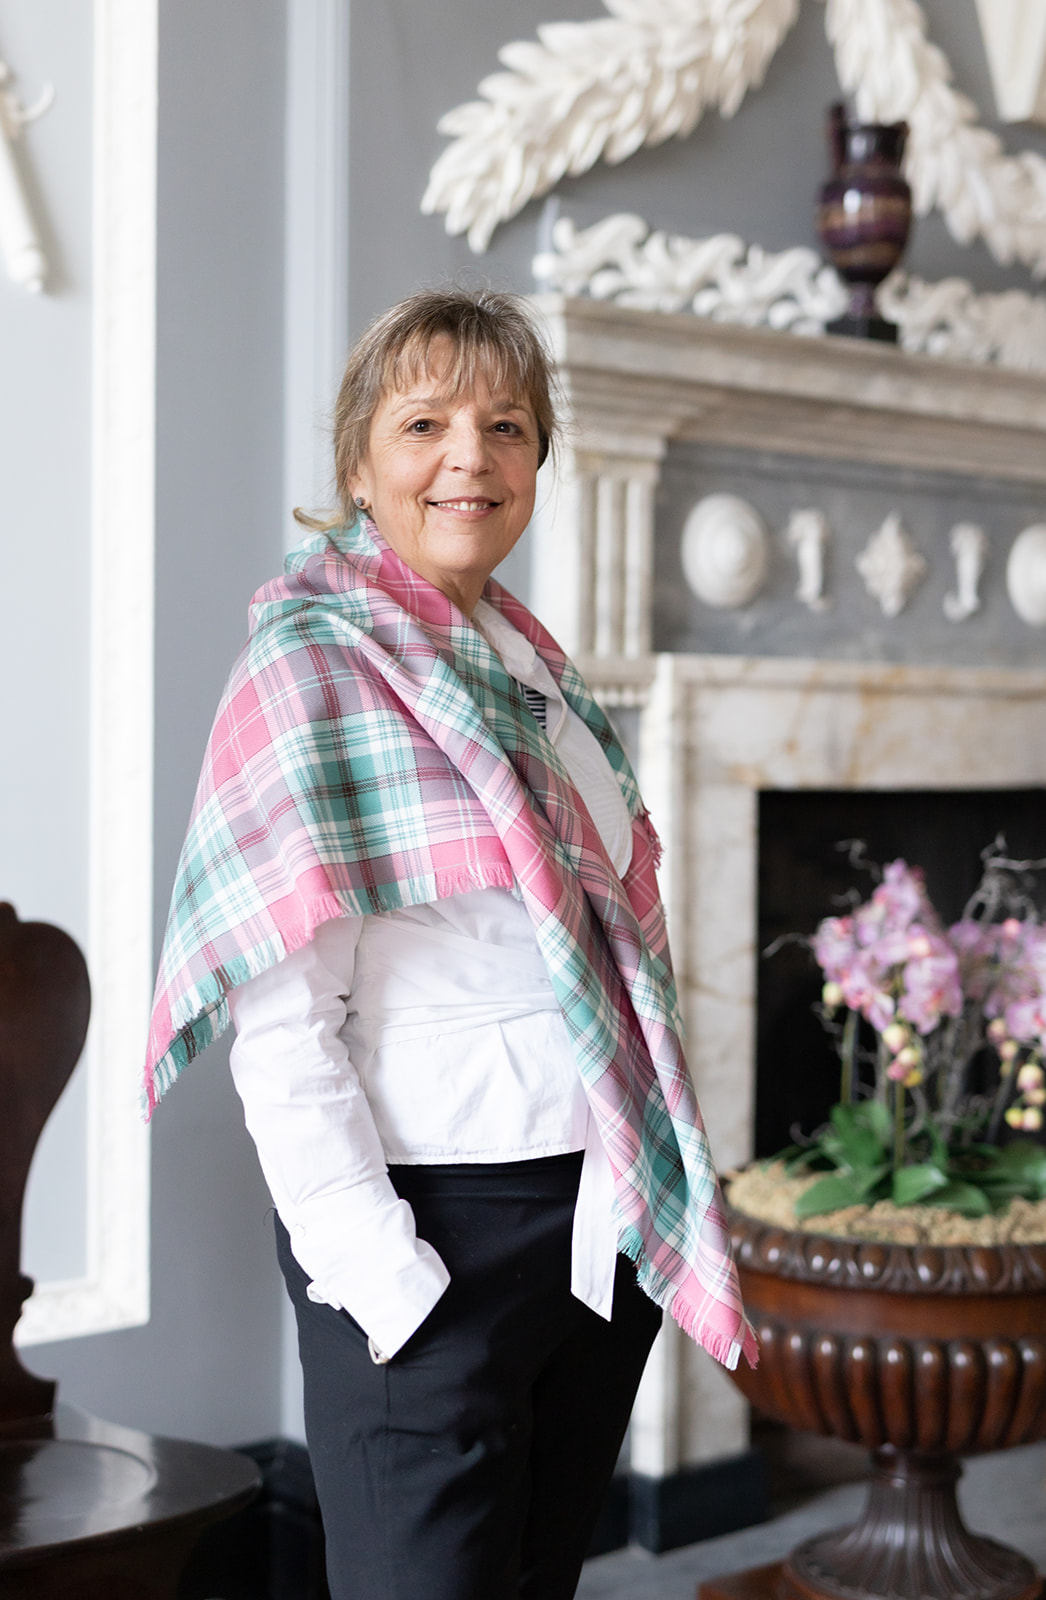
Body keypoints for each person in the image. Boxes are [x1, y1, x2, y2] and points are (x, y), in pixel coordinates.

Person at [144, 286, 755, 1600]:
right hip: (431, 1233)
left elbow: (605, 943)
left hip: (588, 1226)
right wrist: (383, 1277)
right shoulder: (309, 670)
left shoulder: (533, 671)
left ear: (539, 460)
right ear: (360, 463)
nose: (470, 456)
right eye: (425, 422)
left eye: (508, 426)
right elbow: (283, 1022)